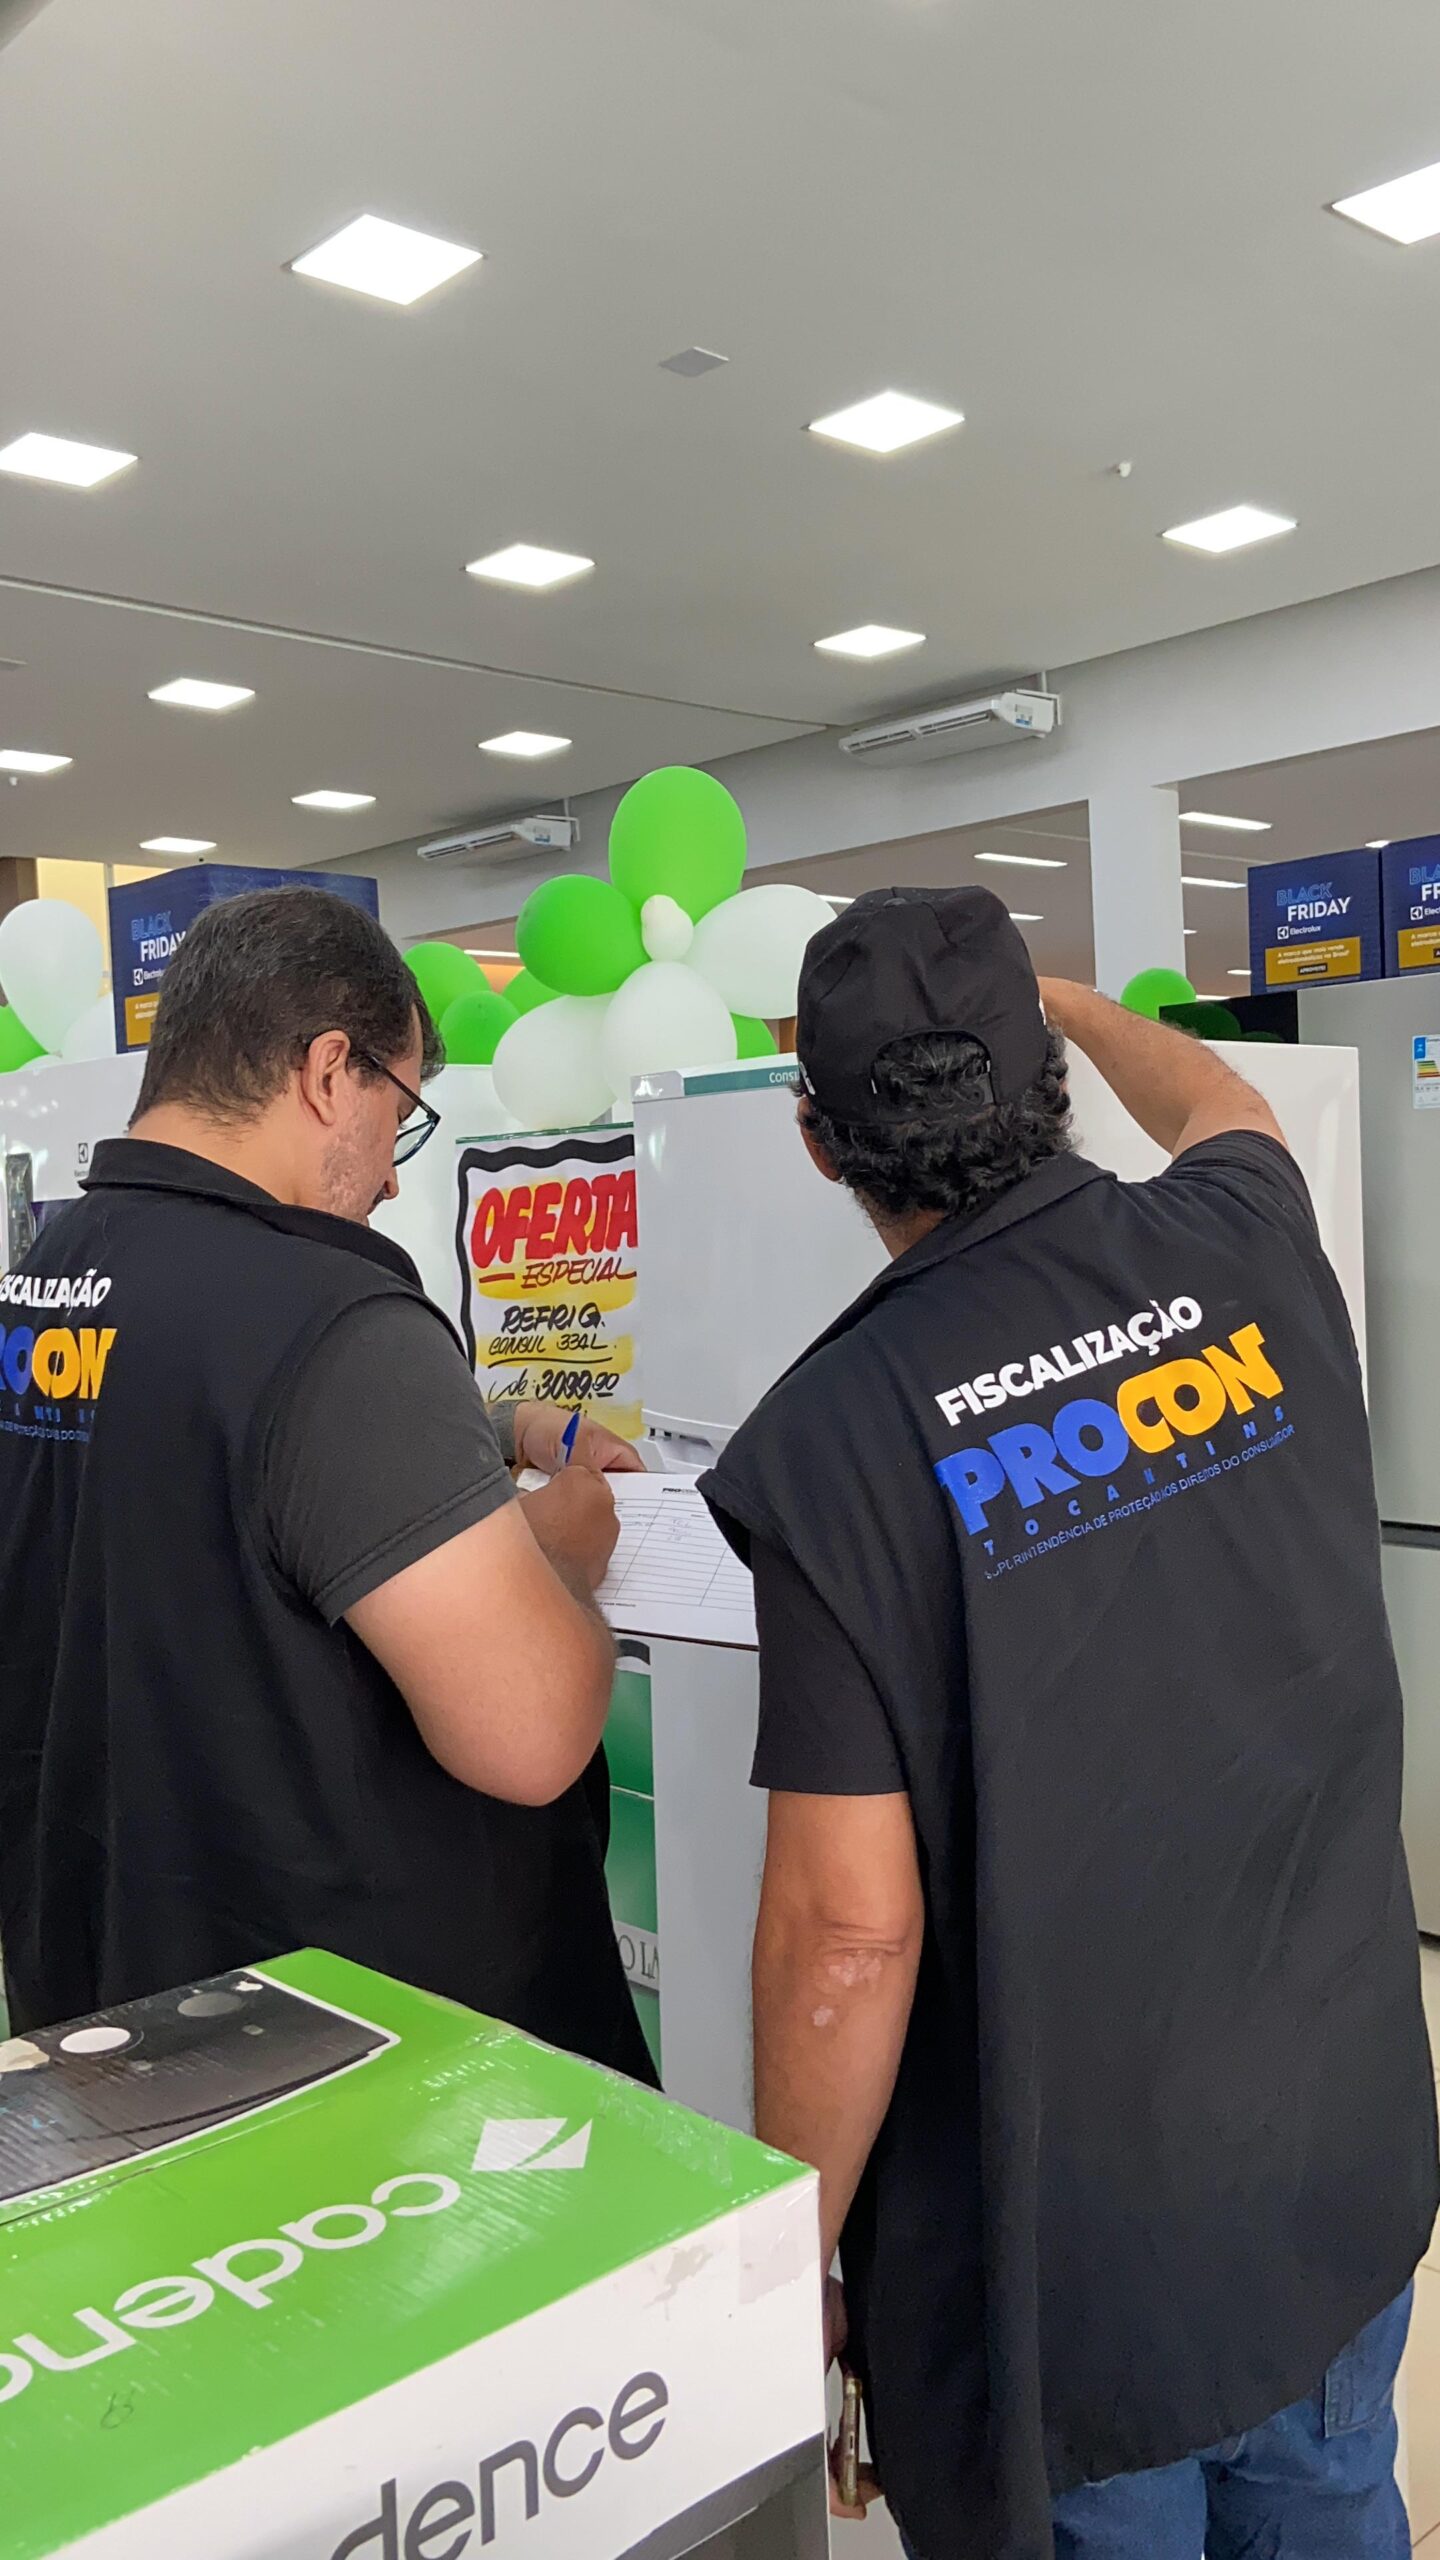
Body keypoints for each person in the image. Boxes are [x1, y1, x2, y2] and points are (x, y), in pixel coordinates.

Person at [701, 885, 1439, 2560]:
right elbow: (1222, 1098)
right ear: (1046, 1083)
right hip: (1327, 2160)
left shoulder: (832, 1443)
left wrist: (787, 2261)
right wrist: (1078, 1005)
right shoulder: (1245, 1233)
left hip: (1071, 2265)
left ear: (819, 1143)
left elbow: (845, 1937)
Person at [0, 885, 655, 2085]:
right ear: (326, 1071)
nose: (395, 1179)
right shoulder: (332, 1315)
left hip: (101, 1993)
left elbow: (191, 1444)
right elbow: (530, 1734)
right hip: (353, 2052)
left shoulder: (47, 1274)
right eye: (399, 1111)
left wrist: (487, 1425)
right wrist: (556, 1548)